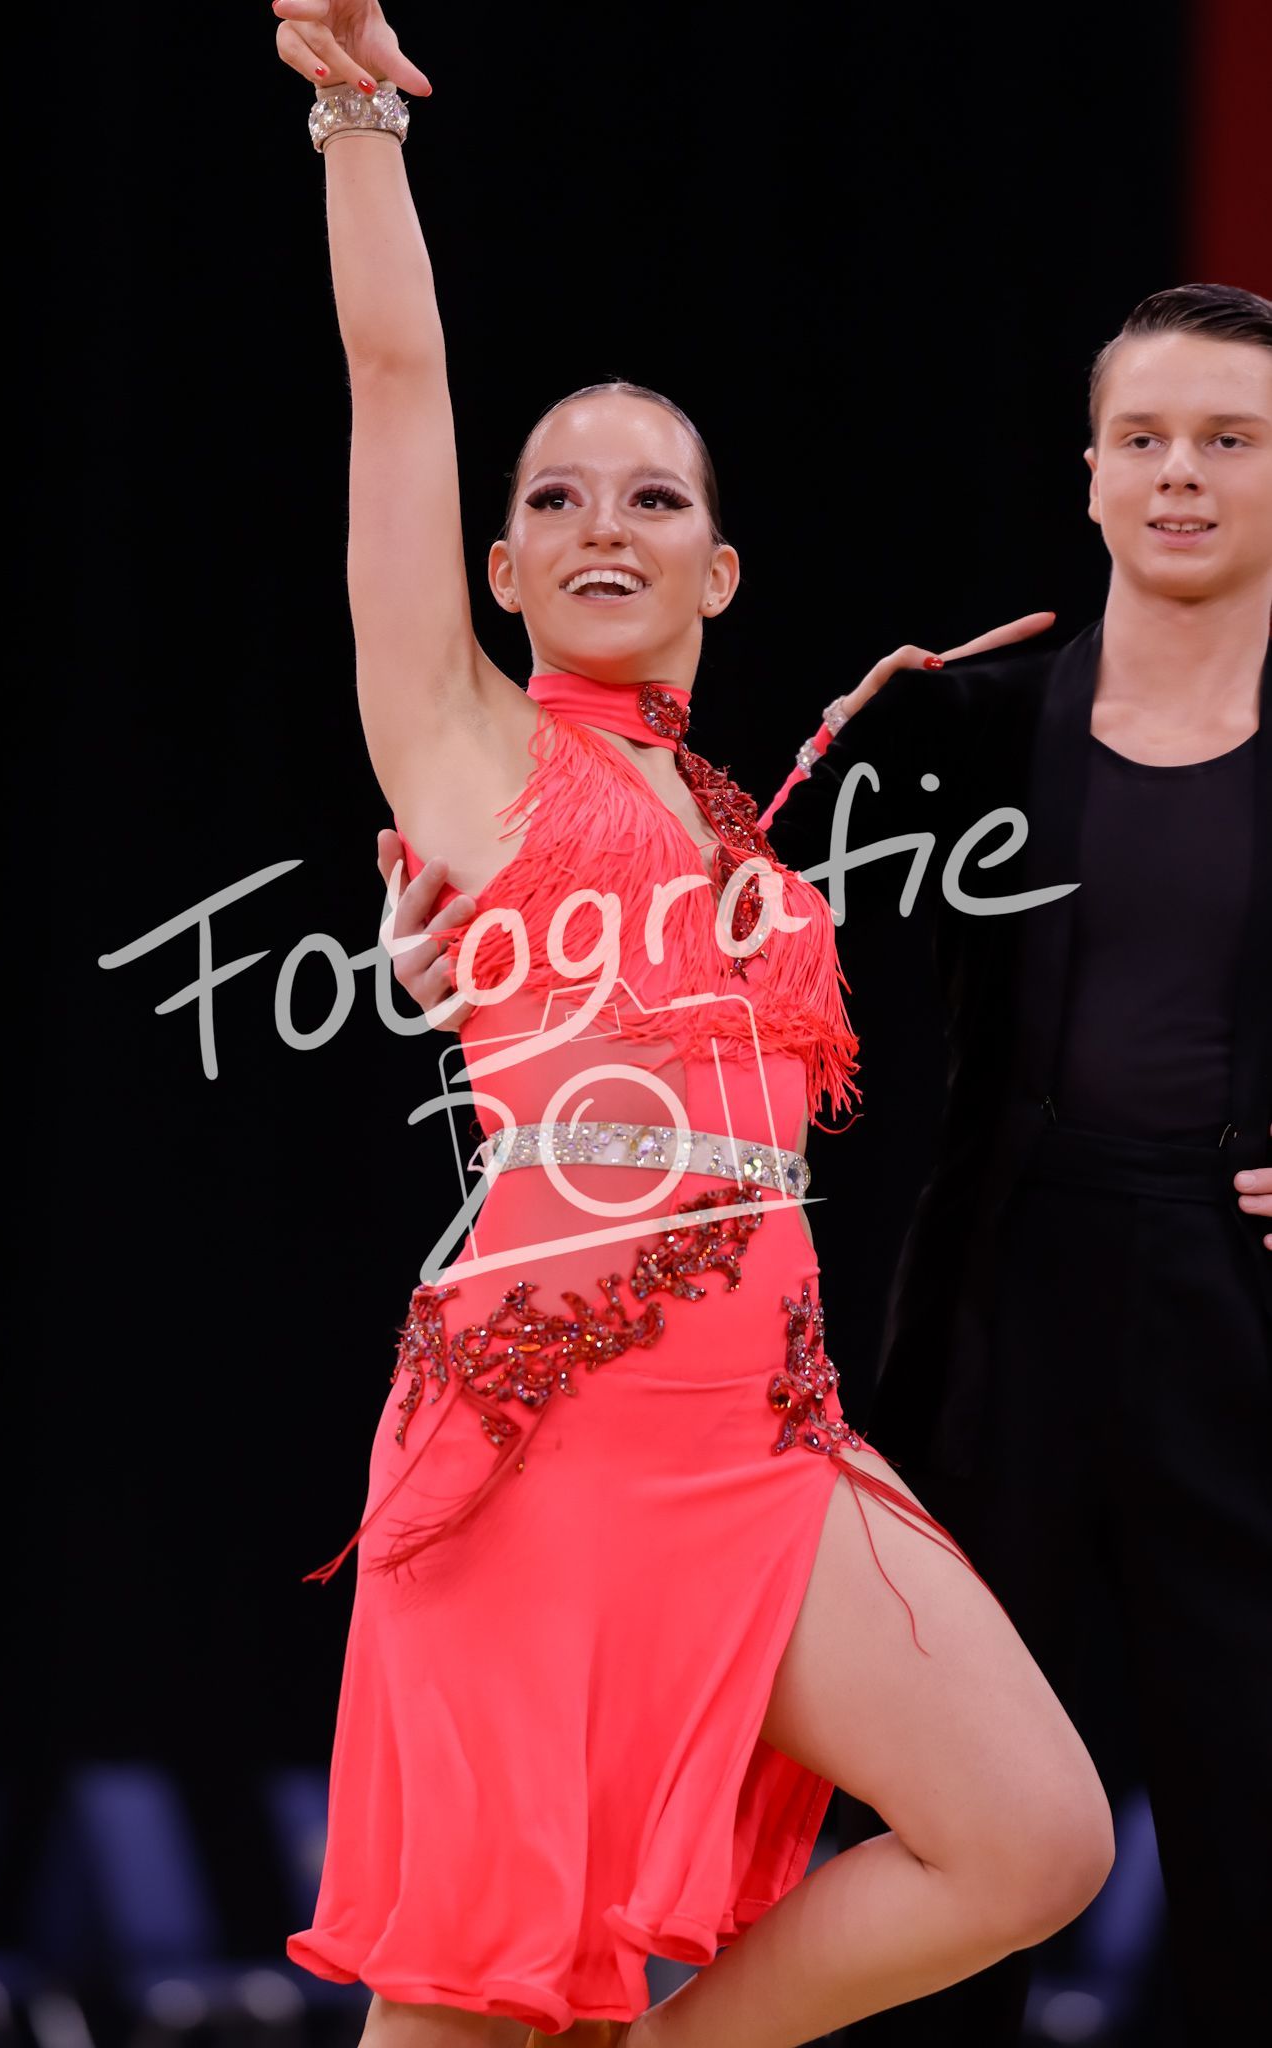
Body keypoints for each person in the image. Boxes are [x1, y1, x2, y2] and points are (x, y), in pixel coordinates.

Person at [268, 6, 1114, 2045]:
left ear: (717, 569)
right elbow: (394, 383)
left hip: (758, 1431)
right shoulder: (468, 748)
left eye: (649, 500)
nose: (601, 527)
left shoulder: (739, 824)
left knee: (1028, 1838)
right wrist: (357, 114)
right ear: (500, 564)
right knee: (471, 2002)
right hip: (542, 1429)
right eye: (556, 499)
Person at [397, 281, 1272, 2044]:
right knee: (940, 1856)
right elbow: (688, 911)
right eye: (1142, 437)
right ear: (1088, 473)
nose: (1178, 473)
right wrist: (461, 943)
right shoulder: (952, 724)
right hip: (994, 1324)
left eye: (1227, 440)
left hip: (1242, 1331)